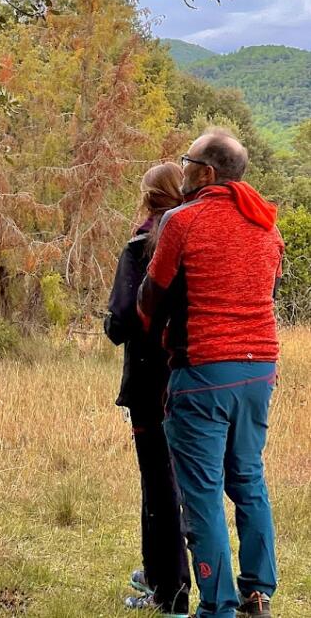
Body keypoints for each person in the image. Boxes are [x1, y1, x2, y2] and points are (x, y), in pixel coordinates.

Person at [138, 130, 284, 618]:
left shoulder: (183, 220)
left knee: (200, 493)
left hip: (204, 371)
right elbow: (268, 287)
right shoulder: (267, 225)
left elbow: (150, 298)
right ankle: (257, 592)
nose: (181, 170)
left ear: (206, 172)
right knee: (247, 478)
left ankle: (216, 607)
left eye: (187, 161)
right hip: (259, 369)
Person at [104, 162, 190, 618]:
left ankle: (170, 592)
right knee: (191, 485)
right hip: (198, 377)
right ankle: (162, 575)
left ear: (148, 197)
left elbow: (120, 323)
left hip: (149, 382)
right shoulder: (198, 241)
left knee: (158, 485)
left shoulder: (140, 247)